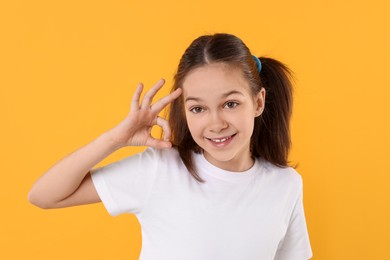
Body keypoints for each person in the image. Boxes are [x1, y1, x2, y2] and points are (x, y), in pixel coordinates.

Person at [28, 33, 313, 260]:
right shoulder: (160, 169)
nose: (216, 123)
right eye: (198, 109)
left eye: (230, 104)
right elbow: (44, 195)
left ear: (258, 102)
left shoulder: (285, 184)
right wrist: (116, 139)